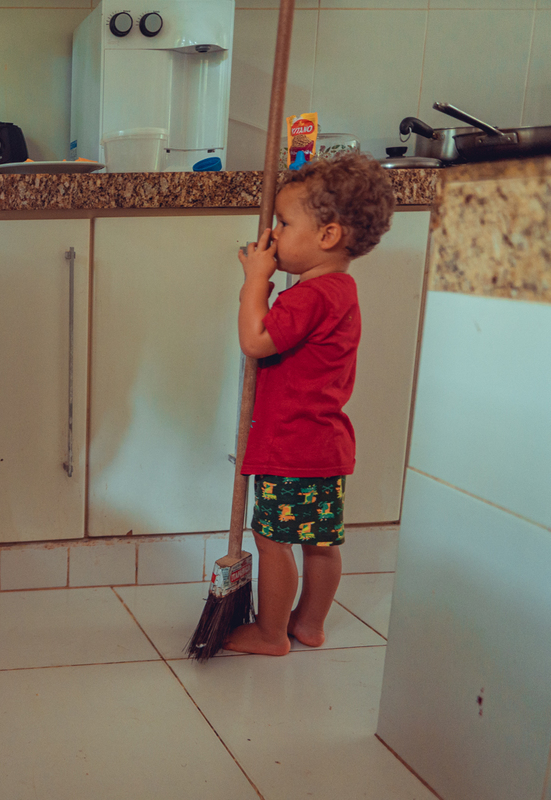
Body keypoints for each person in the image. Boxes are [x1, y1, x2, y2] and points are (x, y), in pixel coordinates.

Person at [225, 154, 395, 656]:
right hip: (324, 446)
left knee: (272, 540)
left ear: (327, 235)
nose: (273, 234)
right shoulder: (341, 290)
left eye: (283, 223)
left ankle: (270, 633)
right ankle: (309, 625)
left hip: (289, 447)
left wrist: (255, 281)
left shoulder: (309, 297)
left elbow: (255, 341)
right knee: (320, 543)